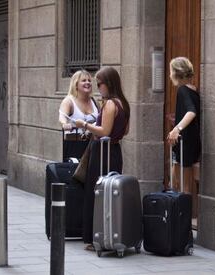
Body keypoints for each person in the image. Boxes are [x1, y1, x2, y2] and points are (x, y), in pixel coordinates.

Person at [75, 66, 130, 251]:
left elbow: (104, 131)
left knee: (97, 192)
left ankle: (96, 237)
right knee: (111, 193)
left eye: (100, 83)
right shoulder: (124, 103)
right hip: (115, 151)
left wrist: (85, 124)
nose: (98, 87)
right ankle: (110, 233)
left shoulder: (110, 104)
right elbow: (126, 131)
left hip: (102, 151)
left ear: (109, 83)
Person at [167, 57, 200, 218]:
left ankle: (182, 225)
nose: (169, 75)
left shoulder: (182, 90)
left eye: (171, 71)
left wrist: (176, 129)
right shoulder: (194, 90)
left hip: (184, 144)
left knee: (179, 187)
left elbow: (191, 112)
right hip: (192, 143)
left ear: (177, 73)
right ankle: (185, 224)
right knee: (183, 186)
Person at [59, 69, 99, 138]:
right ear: (76, 84)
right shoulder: (69, 101)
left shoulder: (94, 101)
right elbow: (62, 116)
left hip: (93, 143)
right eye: (84, 80)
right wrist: (64, 123)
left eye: (89, 80)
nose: (88, 82)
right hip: (74, 143)